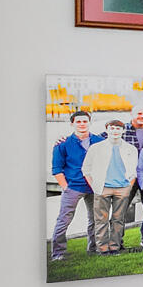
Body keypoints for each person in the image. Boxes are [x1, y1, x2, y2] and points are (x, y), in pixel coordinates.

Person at [47, 110, 100, 264]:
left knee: (95, 219)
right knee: (64, 220)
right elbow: (57, 169)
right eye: (78, 121)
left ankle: (94, 248)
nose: (82, 124)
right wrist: (66, 187)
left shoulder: (99, 141)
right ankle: (58, 253)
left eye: (85, 121)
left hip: (94, 187)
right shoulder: (62, 144)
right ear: (72, 124)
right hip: (73, 187)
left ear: (90, 122)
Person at [81, 129, 139, 256]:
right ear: (107, 130)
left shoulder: (130, 148)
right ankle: (102, 249)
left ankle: (114, 248)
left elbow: (134, 170)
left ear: (123, 130)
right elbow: (86, 168)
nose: (115, 131)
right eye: (112, 128)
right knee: (101, 220)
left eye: (118, 128)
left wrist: (129, 187)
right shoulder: (96, 147)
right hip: (103, 187)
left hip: (122, 188)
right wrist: (94, 186)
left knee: (118, 219)